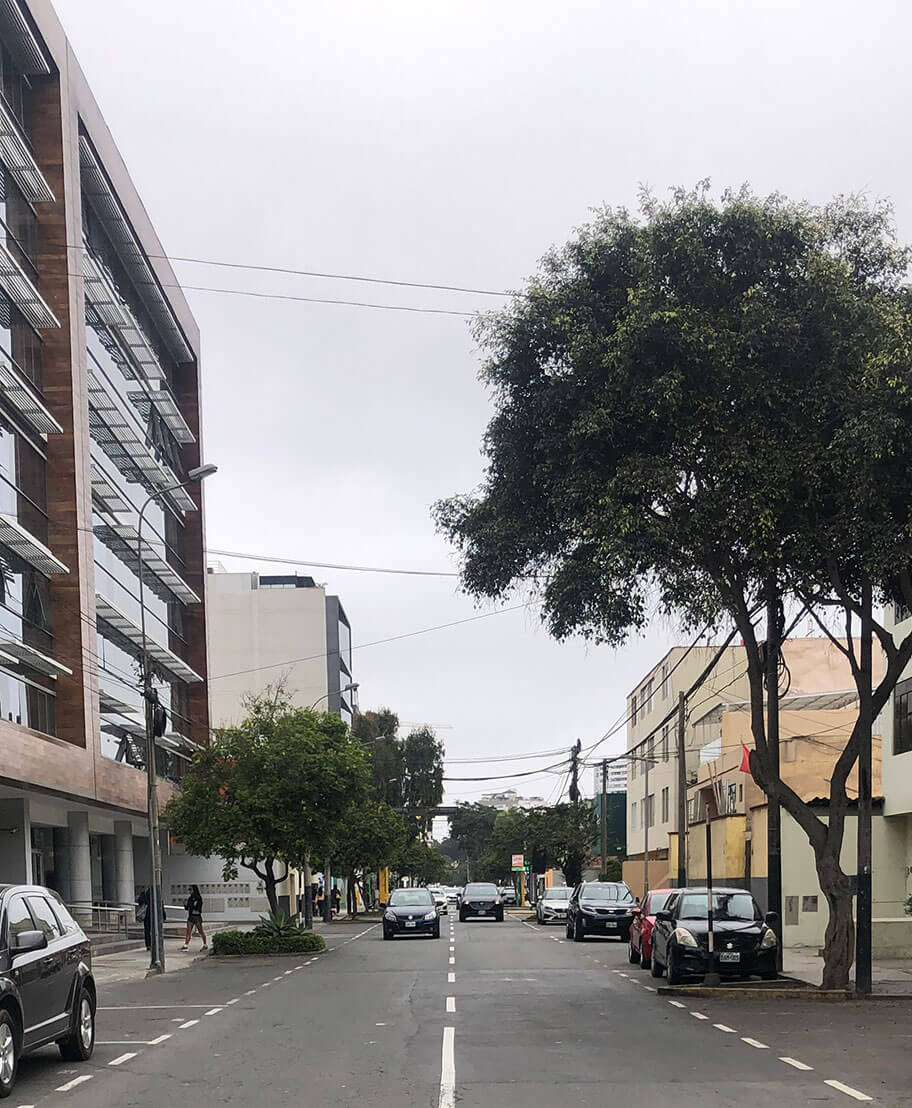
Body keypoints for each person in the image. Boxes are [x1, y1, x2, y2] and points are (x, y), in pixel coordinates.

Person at [136, 887, 166, 951]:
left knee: (147, 930)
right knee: (156, 930)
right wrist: (164, 915)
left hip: (147, 915)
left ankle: (148, 945)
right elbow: (161, 905)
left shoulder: (144, 894)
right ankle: (156, 944)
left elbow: (140, 902)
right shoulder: (157, 895)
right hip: (155, 915)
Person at [180, 884, 207, 952]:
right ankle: (186, 945)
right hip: (191, 916)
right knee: (188, 931)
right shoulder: (190, 898)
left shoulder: (198, 898)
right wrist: (185, 905)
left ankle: (205, 944)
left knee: (201, 931)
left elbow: (198, 908)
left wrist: (192, 906)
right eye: (189, 890)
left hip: (197, 916)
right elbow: (188, 908)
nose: (189, 891)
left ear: (194, 890)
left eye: (190, 889)